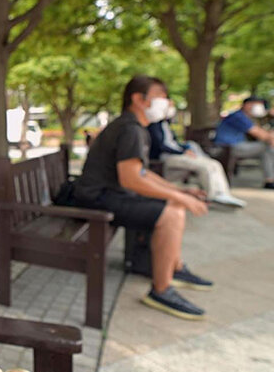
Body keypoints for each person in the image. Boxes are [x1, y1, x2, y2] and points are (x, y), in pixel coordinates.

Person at [70, 75, 213, 321]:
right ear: (139, 99)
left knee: (174, 205)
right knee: (171, 214)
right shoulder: (130, 129)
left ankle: (174, 268)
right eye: (161, 97)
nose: (167, 103)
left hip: (107, 194)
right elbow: (132, 180)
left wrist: (179, 192)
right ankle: (161, 290)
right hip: (96, 198)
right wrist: (180, 198)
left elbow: (142, 173)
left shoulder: (133, 127)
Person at [147, 92, 246, 208]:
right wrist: (182, 152)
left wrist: (186, 148)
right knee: (205, 166)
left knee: (213, 163)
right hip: (167, 156)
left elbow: (173, 142)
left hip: (176, 154)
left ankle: (223, 193)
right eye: (169, 105)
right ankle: (214, 195)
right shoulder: (153, 125)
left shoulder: (165, 124)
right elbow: (161, 146)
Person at [214, 96, 274, 189]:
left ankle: (270, 180)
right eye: (258, 105)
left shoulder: (244, 117)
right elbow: (263, 135)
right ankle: (270, 181)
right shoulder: (239, 117)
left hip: (231, 146)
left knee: (267, 149)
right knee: (267, 147)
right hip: (228, 147)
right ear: (247, 105)